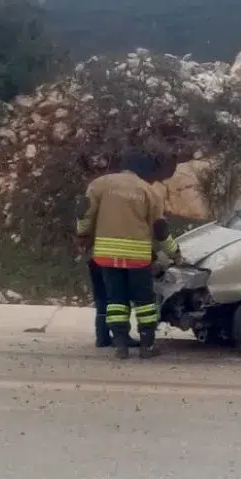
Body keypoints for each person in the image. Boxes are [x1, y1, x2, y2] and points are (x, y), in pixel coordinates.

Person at [76, 149, 182, 359]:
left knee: (116, 299)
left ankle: (121, 346)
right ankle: (147, 346)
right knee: (144, 302)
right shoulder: (149, 191)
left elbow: (85, 214)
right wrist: (175, 253)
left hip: (107, 254)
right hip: (137, 257)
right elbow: (160, 229)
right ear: (144, 172)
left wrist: (82, 236)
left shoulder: (100, 185)